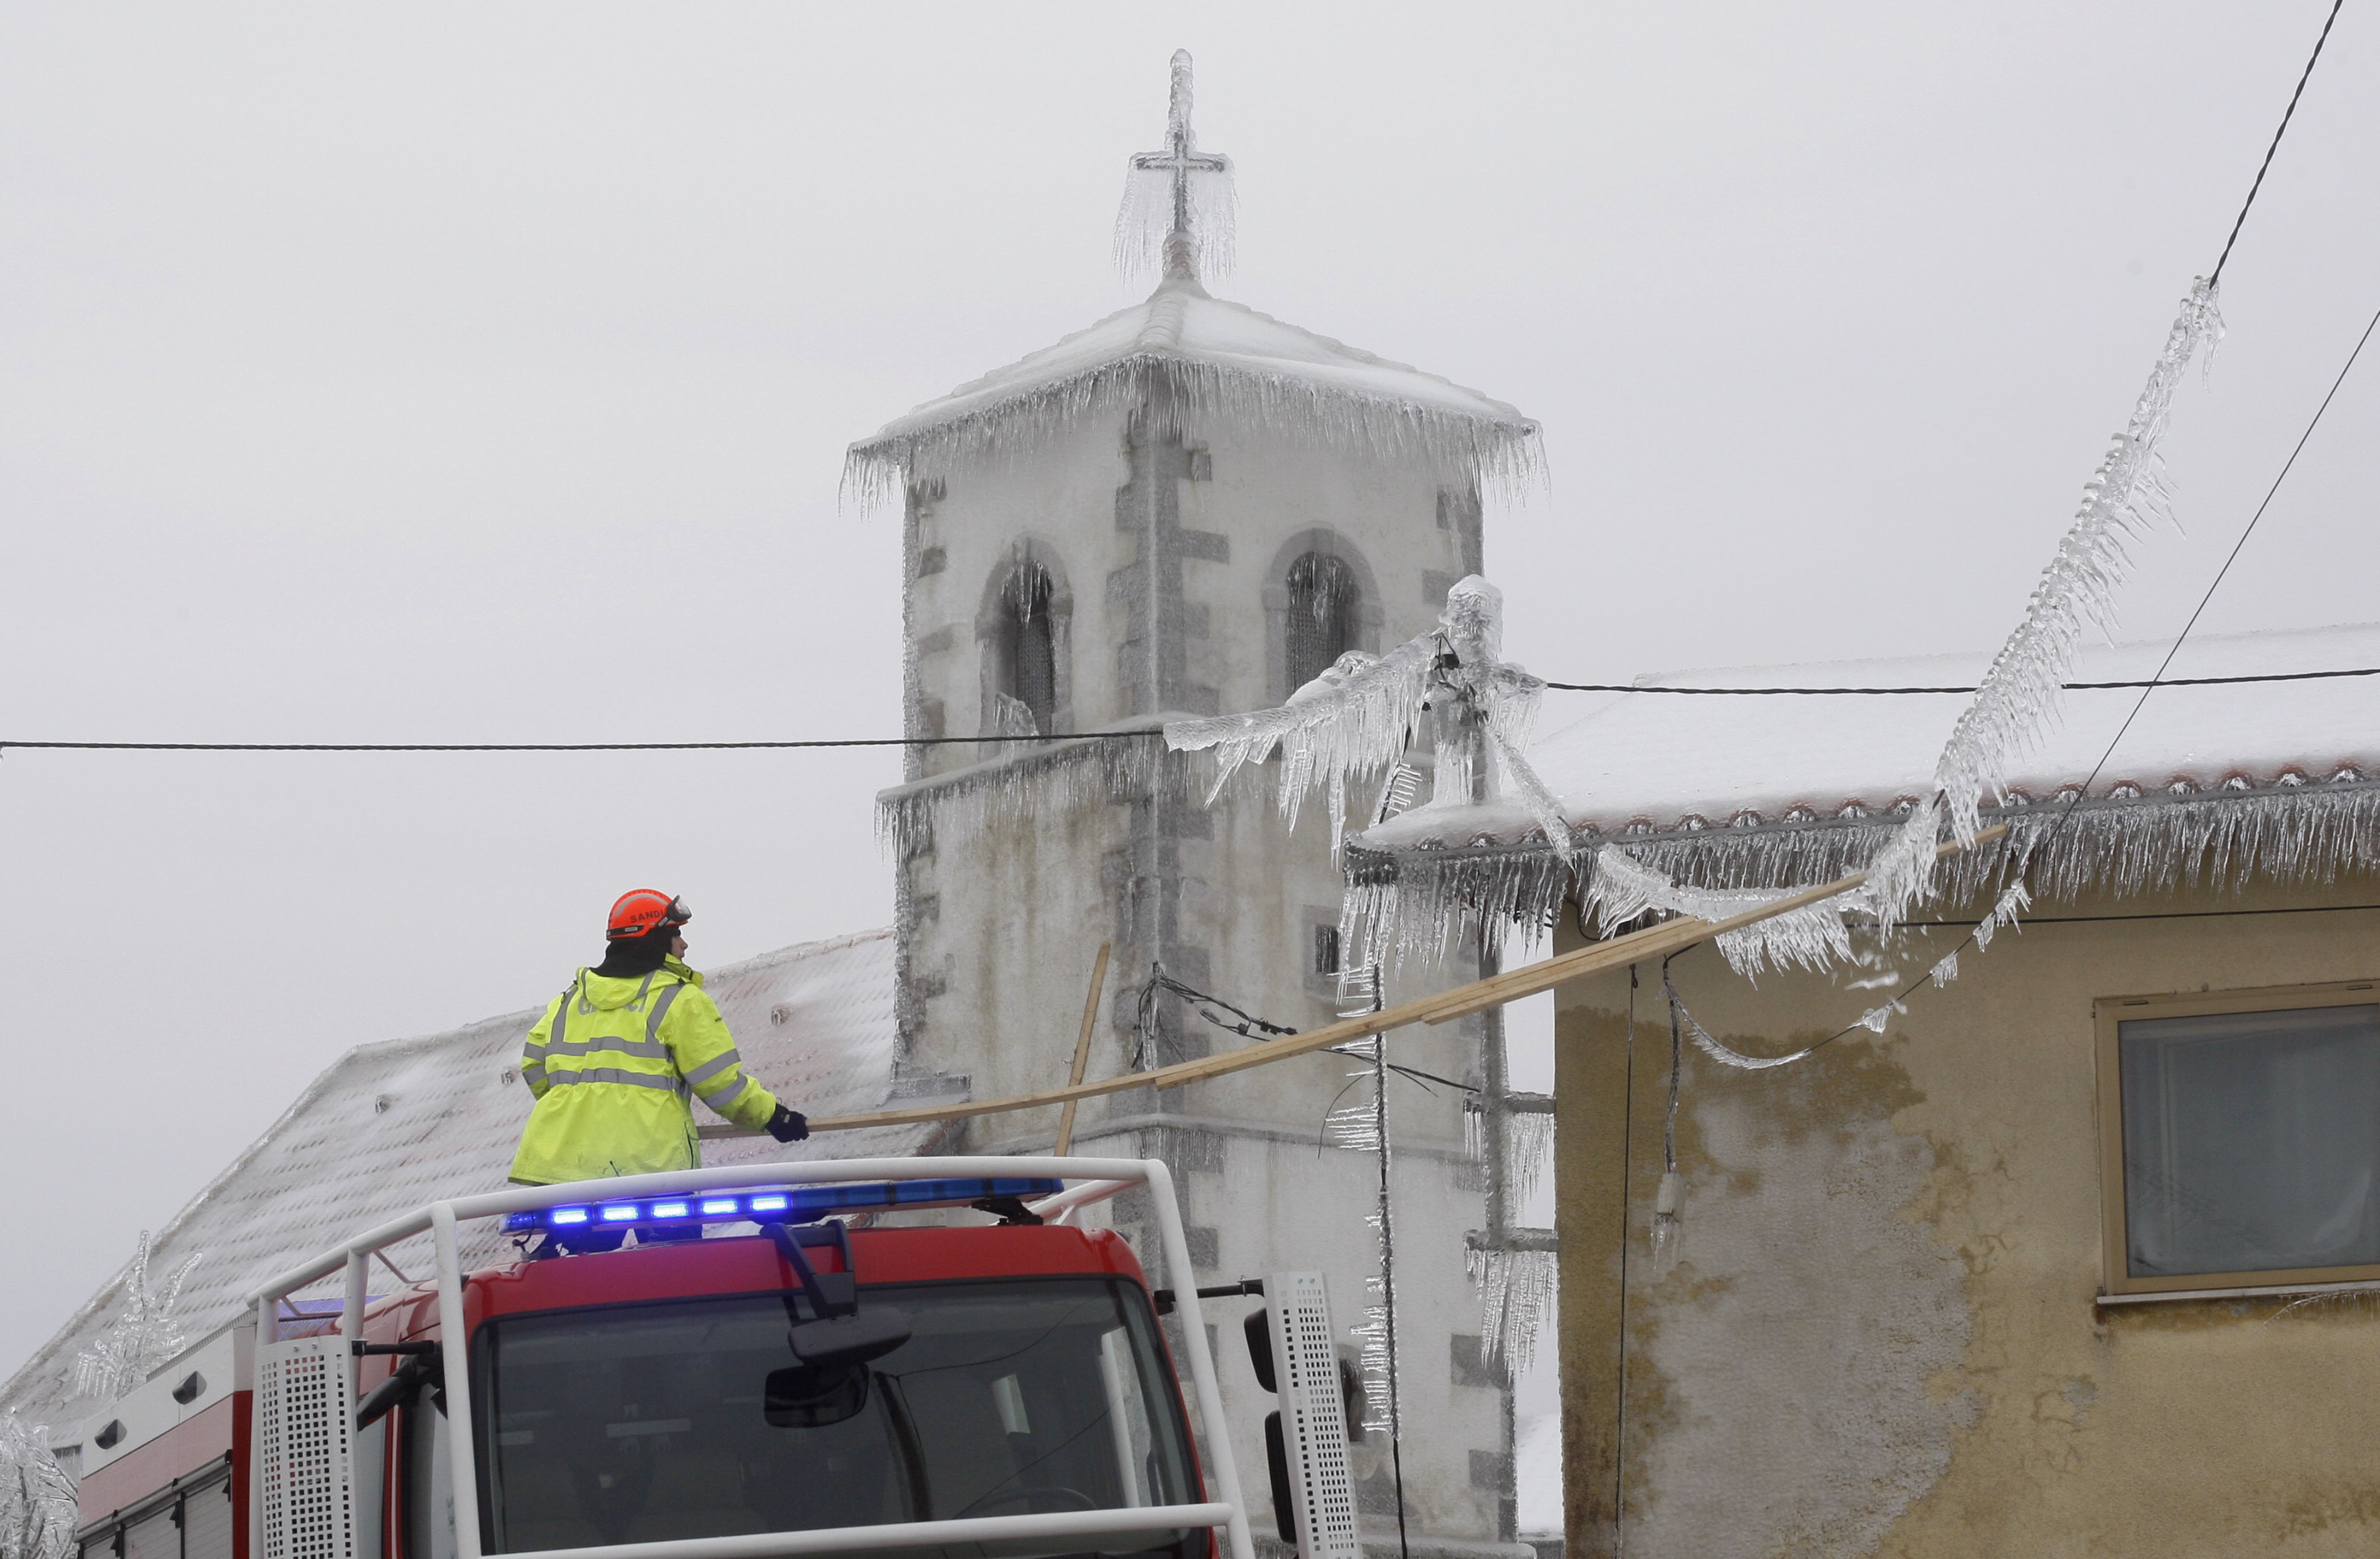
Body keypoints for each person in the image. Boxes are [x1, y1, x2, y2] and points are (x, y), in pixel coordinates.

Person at [511, 889, 809, 1248]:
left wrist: (581, 1110)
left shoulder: (568, 1002)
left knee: (582, 1287)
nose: (684, 944)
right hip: (654, 1172)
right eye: (675, 934)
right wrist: (775, 1118)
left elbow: (533, 1067)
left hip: (570, 1172)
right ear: (654, 939)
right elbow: (720, 1085)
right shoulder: (678, 999)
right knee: (672, 1280)